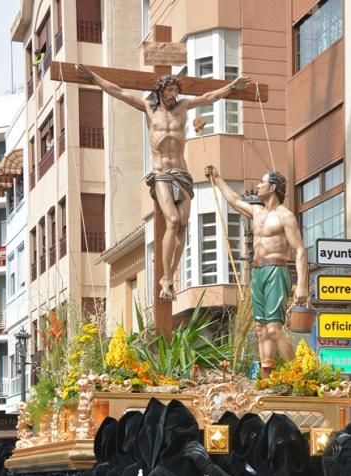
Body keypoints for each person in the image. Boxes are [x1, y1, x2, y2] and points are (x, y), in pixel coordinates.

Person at [75, 64, 251, 300]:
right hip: (161, 174)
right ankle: (165, 278)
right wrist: (93, 77)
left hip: (182, 173)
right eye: (169, 91)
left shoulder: (184, 106)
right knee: (173, 220)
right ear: (160, 91)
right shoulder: (149, 108)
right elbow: (117, 91)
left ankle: (171, 275)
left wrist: (232, 86)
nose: (173, 96)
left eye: (175, 91)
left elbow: (210, 96)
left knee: (184, 224)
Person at [205, 166, 308, 377]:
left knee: (273, 328)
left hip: (275, 271)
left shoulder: (285, 216)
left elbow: (299, 250)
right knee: (261, 329)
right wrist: (218, 178)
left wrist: (303, 287)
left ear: (272, 187)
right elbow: (233, 200)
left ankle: (298, 374)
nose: (258, 186)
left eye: (262, 183)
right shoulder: (257, 212)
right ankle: (266, 377)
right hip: (257, 271)